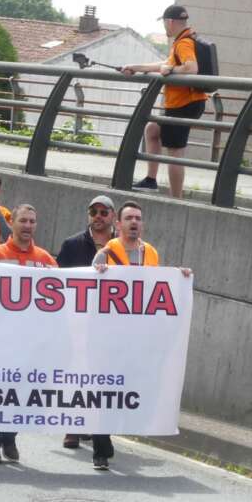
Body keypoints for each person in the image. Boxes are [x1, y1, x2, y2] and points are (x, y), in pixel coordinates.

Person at [92, 200, 193, 470]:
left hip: (138, 339)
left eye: (138, 218)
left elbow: (157, 286)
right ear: (118, 224)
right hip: (111, 338)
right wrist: (98, 274)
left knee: (132, 387)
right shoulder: (105, 253)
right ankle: (101, 447)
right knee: (108, 389)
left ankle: (113, 430)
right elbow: (89, 290)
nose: (134, 222)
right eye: (129, 218)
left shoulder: (151, 253)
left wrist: (179, 277)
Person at [0, 204, 57, 464]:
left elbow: (67, 290)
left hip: (31, 342)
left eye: (32, 221)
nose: (27, 226)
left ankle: (9, 437)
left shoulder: (45, 259)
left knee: (20, 392)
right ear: (12, 223)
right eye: (23, 220)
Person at [124, 5, 207, 198]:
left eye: (164, 23)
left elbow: (191, 68)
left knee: (175, 151)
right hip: (186, 102)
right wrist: (136, 67)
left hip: (183, 103)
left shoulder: (183, 43)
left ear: (169, 22)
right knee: (152, 129)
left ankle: (176, 199)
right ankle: (151, 180)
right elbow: (165, 65)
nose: (165, 27)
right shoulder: (186, 39)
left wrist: (172, 71)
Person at [55, 195, 117, 450]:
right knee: (76, 372)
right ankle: (73, 426)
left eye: (104, 212)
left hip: (110, 323)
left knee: (102, 377)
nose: (98, 216)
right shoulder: (72, 244)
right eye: (94, 211)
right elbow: (58, 281)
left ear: (113, 216)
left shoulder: (121, 247)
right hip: (77, 321)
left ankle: (97, 426)